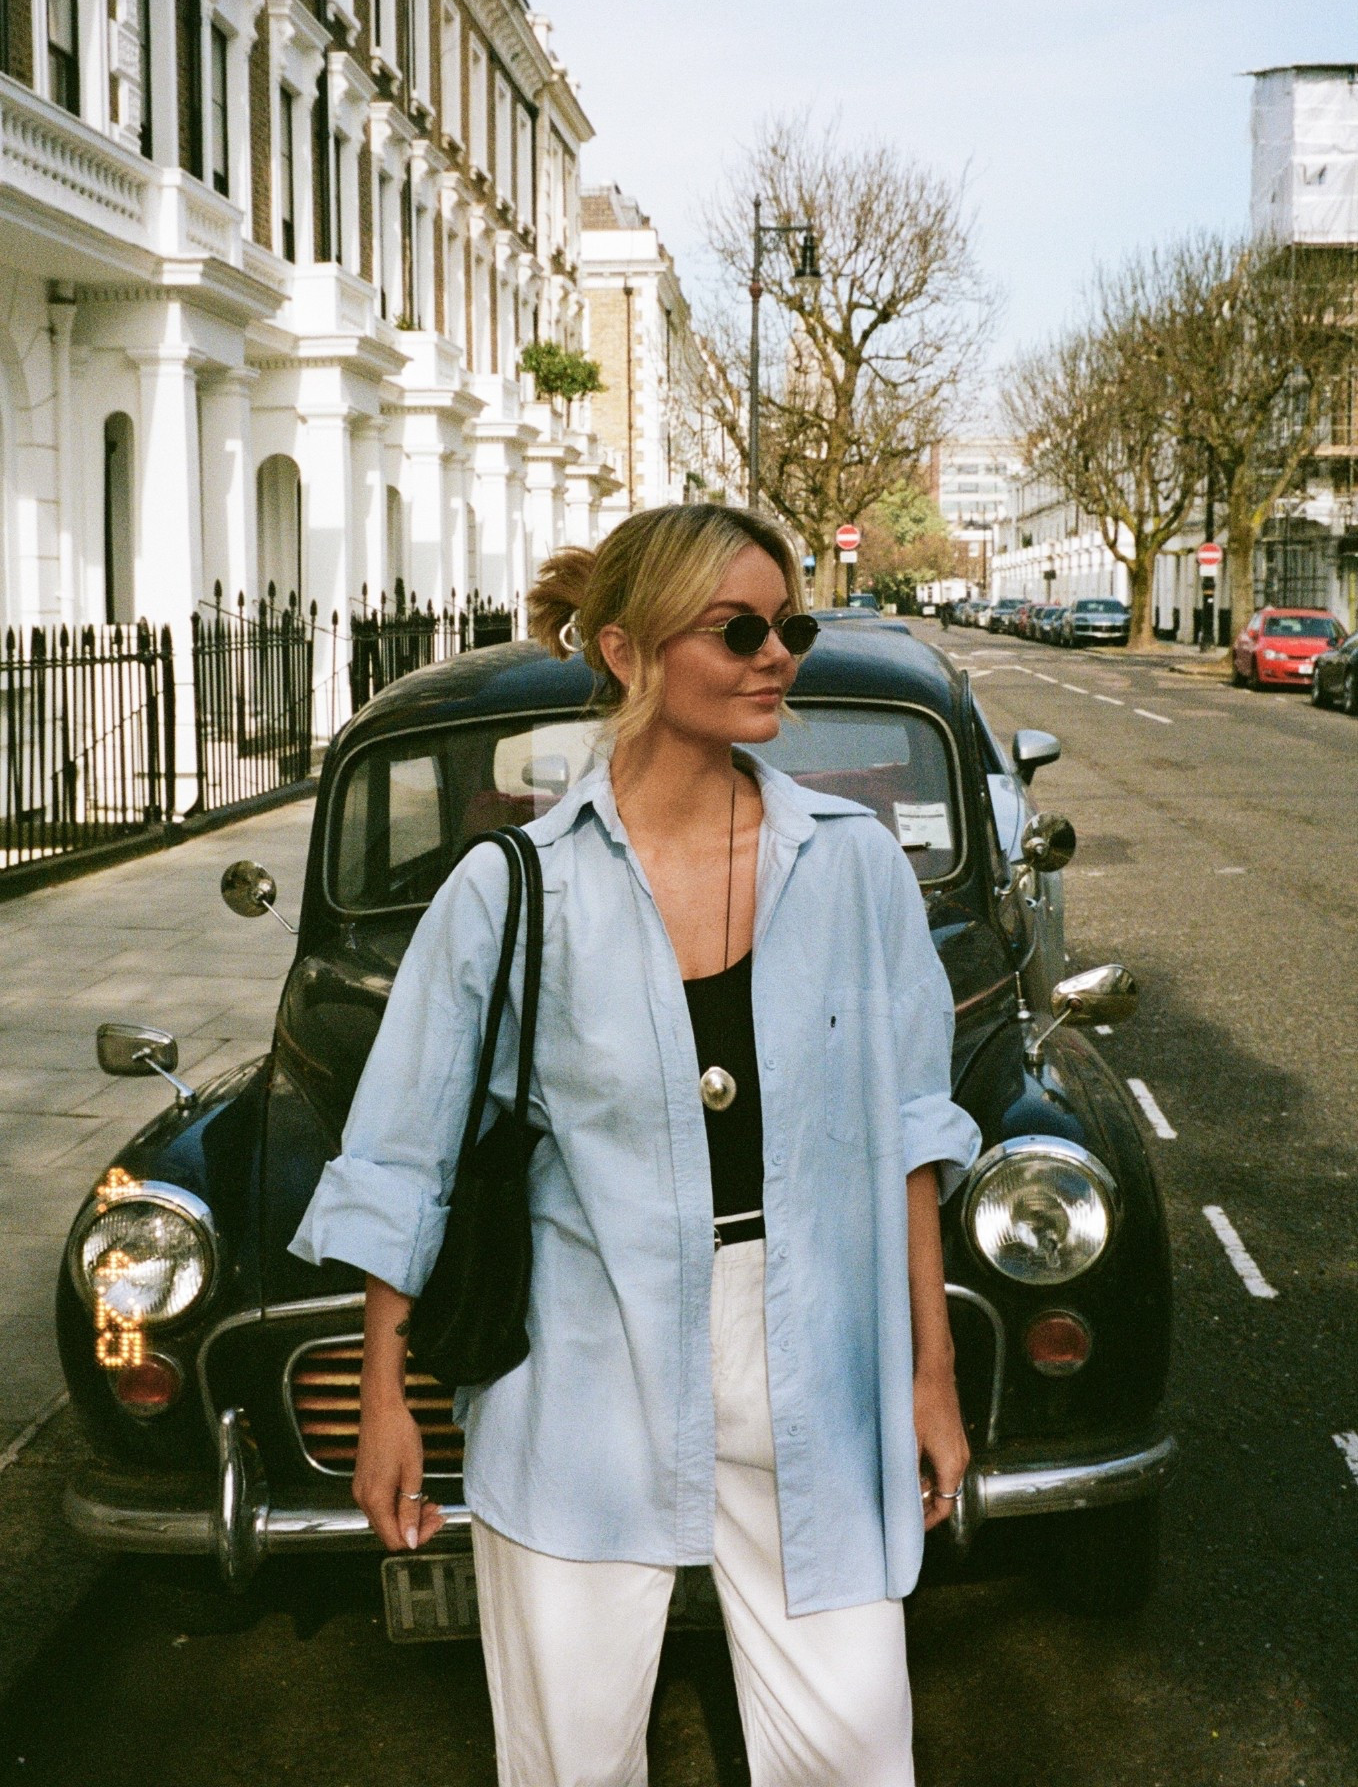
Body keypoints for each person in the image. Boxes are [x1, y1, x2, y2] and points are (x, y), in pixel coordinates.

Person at [290, 503, 981, 1787]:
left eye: (791, 625)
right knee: (569, 1762)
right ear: (624, 649)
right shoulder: (512, 889)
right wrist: (385, 1395)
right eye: (738, 628)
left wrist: (928, 1369)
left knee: (854, 1751)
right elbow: (403, 1157)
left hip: (813, 1356)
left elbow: (908, 1132)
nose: (778, 654)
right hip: (584, 1371)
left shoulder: (851, 869)